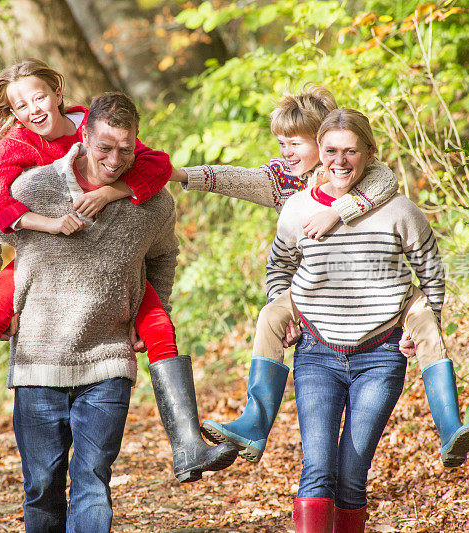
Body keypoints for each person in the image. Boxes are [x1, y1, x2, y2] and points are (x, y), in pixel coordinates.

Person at [0, 60, 236, 481]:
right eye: (21, 105)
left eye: (39, 97)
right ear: (13, 113)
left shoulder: (90, 125)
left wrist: (112, 192)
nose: (34, 110)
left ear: (57, 92)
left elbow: (157, 167)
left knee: (161, 328)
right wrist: (45, 226)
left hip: (114, 261)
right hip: (45, 258)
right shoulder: (18, 144)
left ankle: (187, 446)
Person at [0, 92, 237, 532]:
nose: (114, 159)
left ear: (136, 144)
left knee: (92, 481)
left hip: (109, 361)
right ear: (84, 135)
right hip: (38, 363)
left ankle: (187, 445)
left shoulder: (153, 203)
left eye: (125, 150)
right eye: (105, 147)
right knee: (42, 487)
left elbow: (165, 256)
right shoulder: (35, 188)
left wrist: (155, 310)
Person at [267, 108, 469, 532]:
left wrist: (424, 324)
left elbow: (431, 272)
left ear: (368, 153)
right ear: (319, 152)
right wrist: (284, 310)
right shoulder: (296, 209)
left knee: (351, 475)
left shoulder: (400, 211)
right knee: (318, 469)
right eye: (330, 151)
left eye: (350, 152)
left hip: (380, 356)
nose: (339, 162)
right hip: (316, 354)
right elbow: (278, 268)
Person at [170, 86, 399, 462]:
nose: (285, 152)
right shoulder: (287, 181)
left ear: (324, 140)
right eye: (281, 143)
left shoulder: (360, 175)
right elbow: (237, 179)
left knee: (352, 458)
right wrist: (179, 173)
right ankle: (254, 424)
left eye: (294, 143)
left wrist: (338, 211)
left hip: (367, 308)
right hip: (313, 300)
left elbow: (385, 181)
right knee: (269, 318)